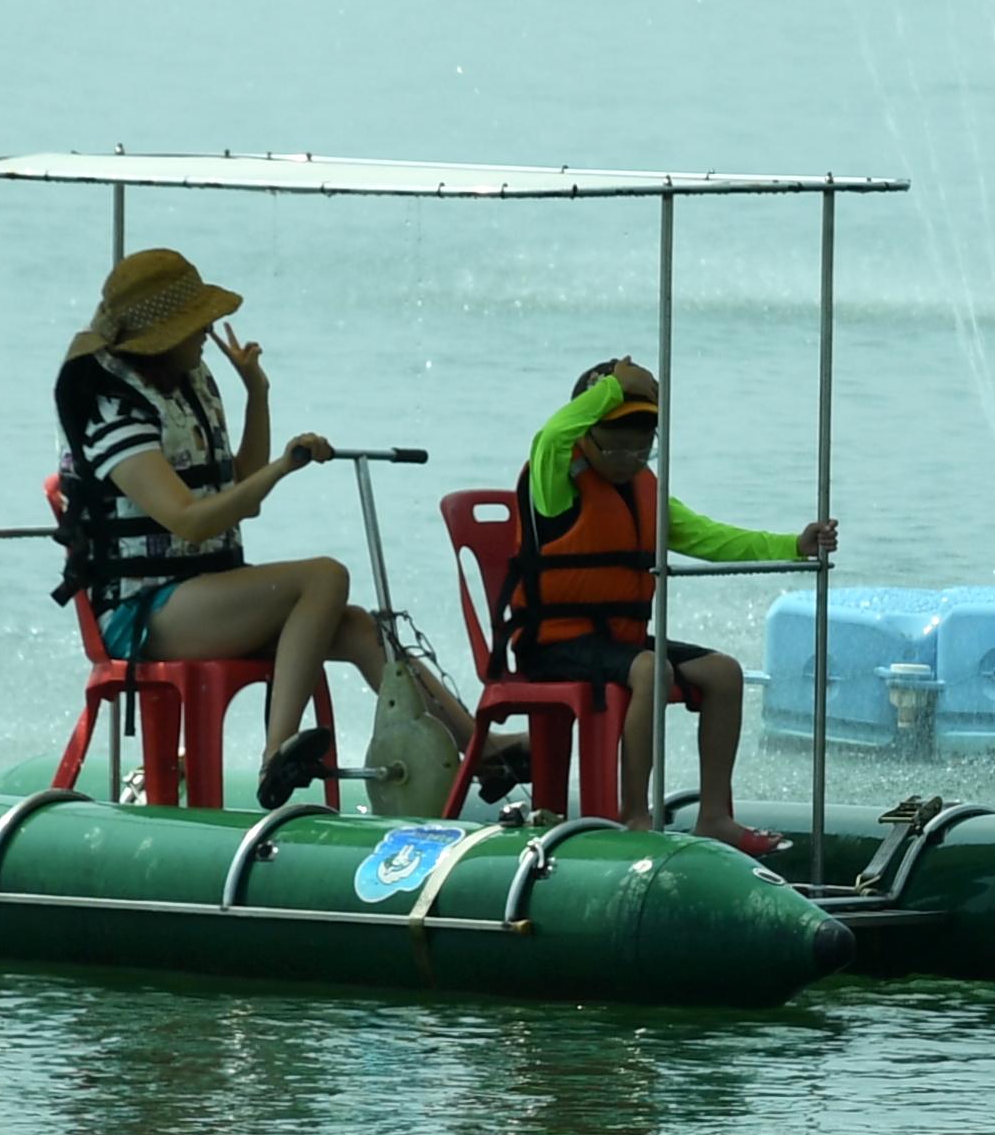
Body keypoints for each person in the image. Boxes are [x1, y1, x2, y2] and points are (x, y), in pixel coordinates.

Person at [50, 249, 467, 808]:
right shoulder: (107, 403)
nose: (204, 334)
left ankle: (477, 749)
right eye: (193, 324)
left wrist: (257, 393)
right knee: (323, 577)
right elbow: (191, 521)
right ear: (157, 336)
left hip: (209, 595)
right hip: (144, 611)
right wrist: (285, 467)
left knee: (358, 627)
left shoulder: (191, 379)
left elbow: (239, 488)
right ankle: (278, 755)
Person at [499, 358, 839, 854]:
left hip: (620, 642)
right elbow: (550, 435)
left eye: (643, 444)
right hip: (553, 644)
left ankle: (716, 816)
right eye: (616, 442)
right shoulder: (555, 481)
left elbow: (711, 538)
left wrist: (793, 544)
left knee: (724, 673)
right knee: (652, 671)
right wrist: (615, 387)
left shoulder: (645, 493)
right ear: (585, 435)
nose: (630, 456)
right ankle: (635, 816)